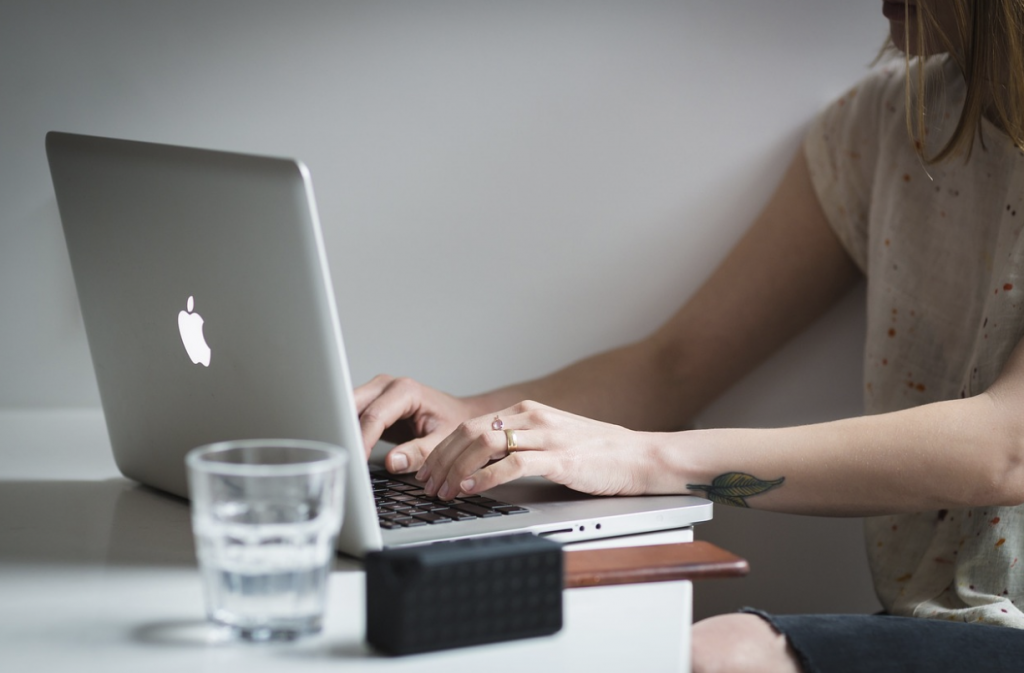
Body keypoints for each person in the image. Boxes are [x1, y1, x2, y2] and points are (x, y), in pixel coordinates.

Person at [354, 1, 1024, 671]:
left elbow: (1008, 447)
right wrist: (473, 420)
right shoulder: (880, 123)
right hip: (938, 623)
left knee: (715, 654)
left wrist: (648, 458)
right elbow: (673, 367)